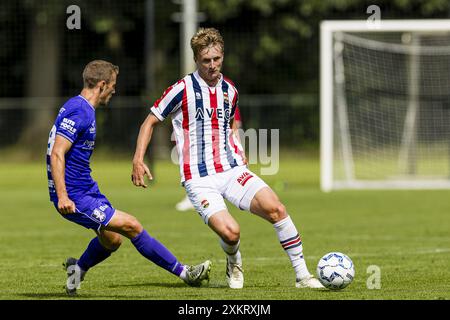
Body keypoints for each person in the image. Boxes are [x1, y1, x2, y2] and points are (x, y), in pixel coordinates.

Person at [131, 28, 323, 289]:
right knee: (231, 232)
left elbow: (231, 121)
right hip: (198, 178)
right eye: (206, 61)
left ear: (222, 56)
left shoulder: (230, 90)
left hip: (232, 169)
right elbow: (149, 121)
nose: (212, 65)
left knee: (276, 208)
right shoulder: (181, 89)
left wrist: (236, 145)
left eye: (217, 59)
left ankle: (303, 276)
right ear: (197, 60)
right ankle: (234, 261)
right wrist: (138, 159)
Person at [46, 60, 211, 295]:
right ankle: (185, 273)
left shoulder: (80, 107)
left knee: (112, 239)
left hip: (86, 188)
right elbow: (57, 152)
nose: (114, 89)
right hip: (74, 195)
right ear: (102, 84)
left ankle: (77, 268)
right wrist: (62, 195)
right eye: (112, 84)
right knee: (132, 225)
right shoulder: (79, 110)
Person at [175, 107, 243, 212]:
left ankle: (216, 196)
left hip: (220, 144)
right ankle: (196, 196)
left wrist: (239, 149)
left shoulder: (227, 93)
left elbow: (235, 123)